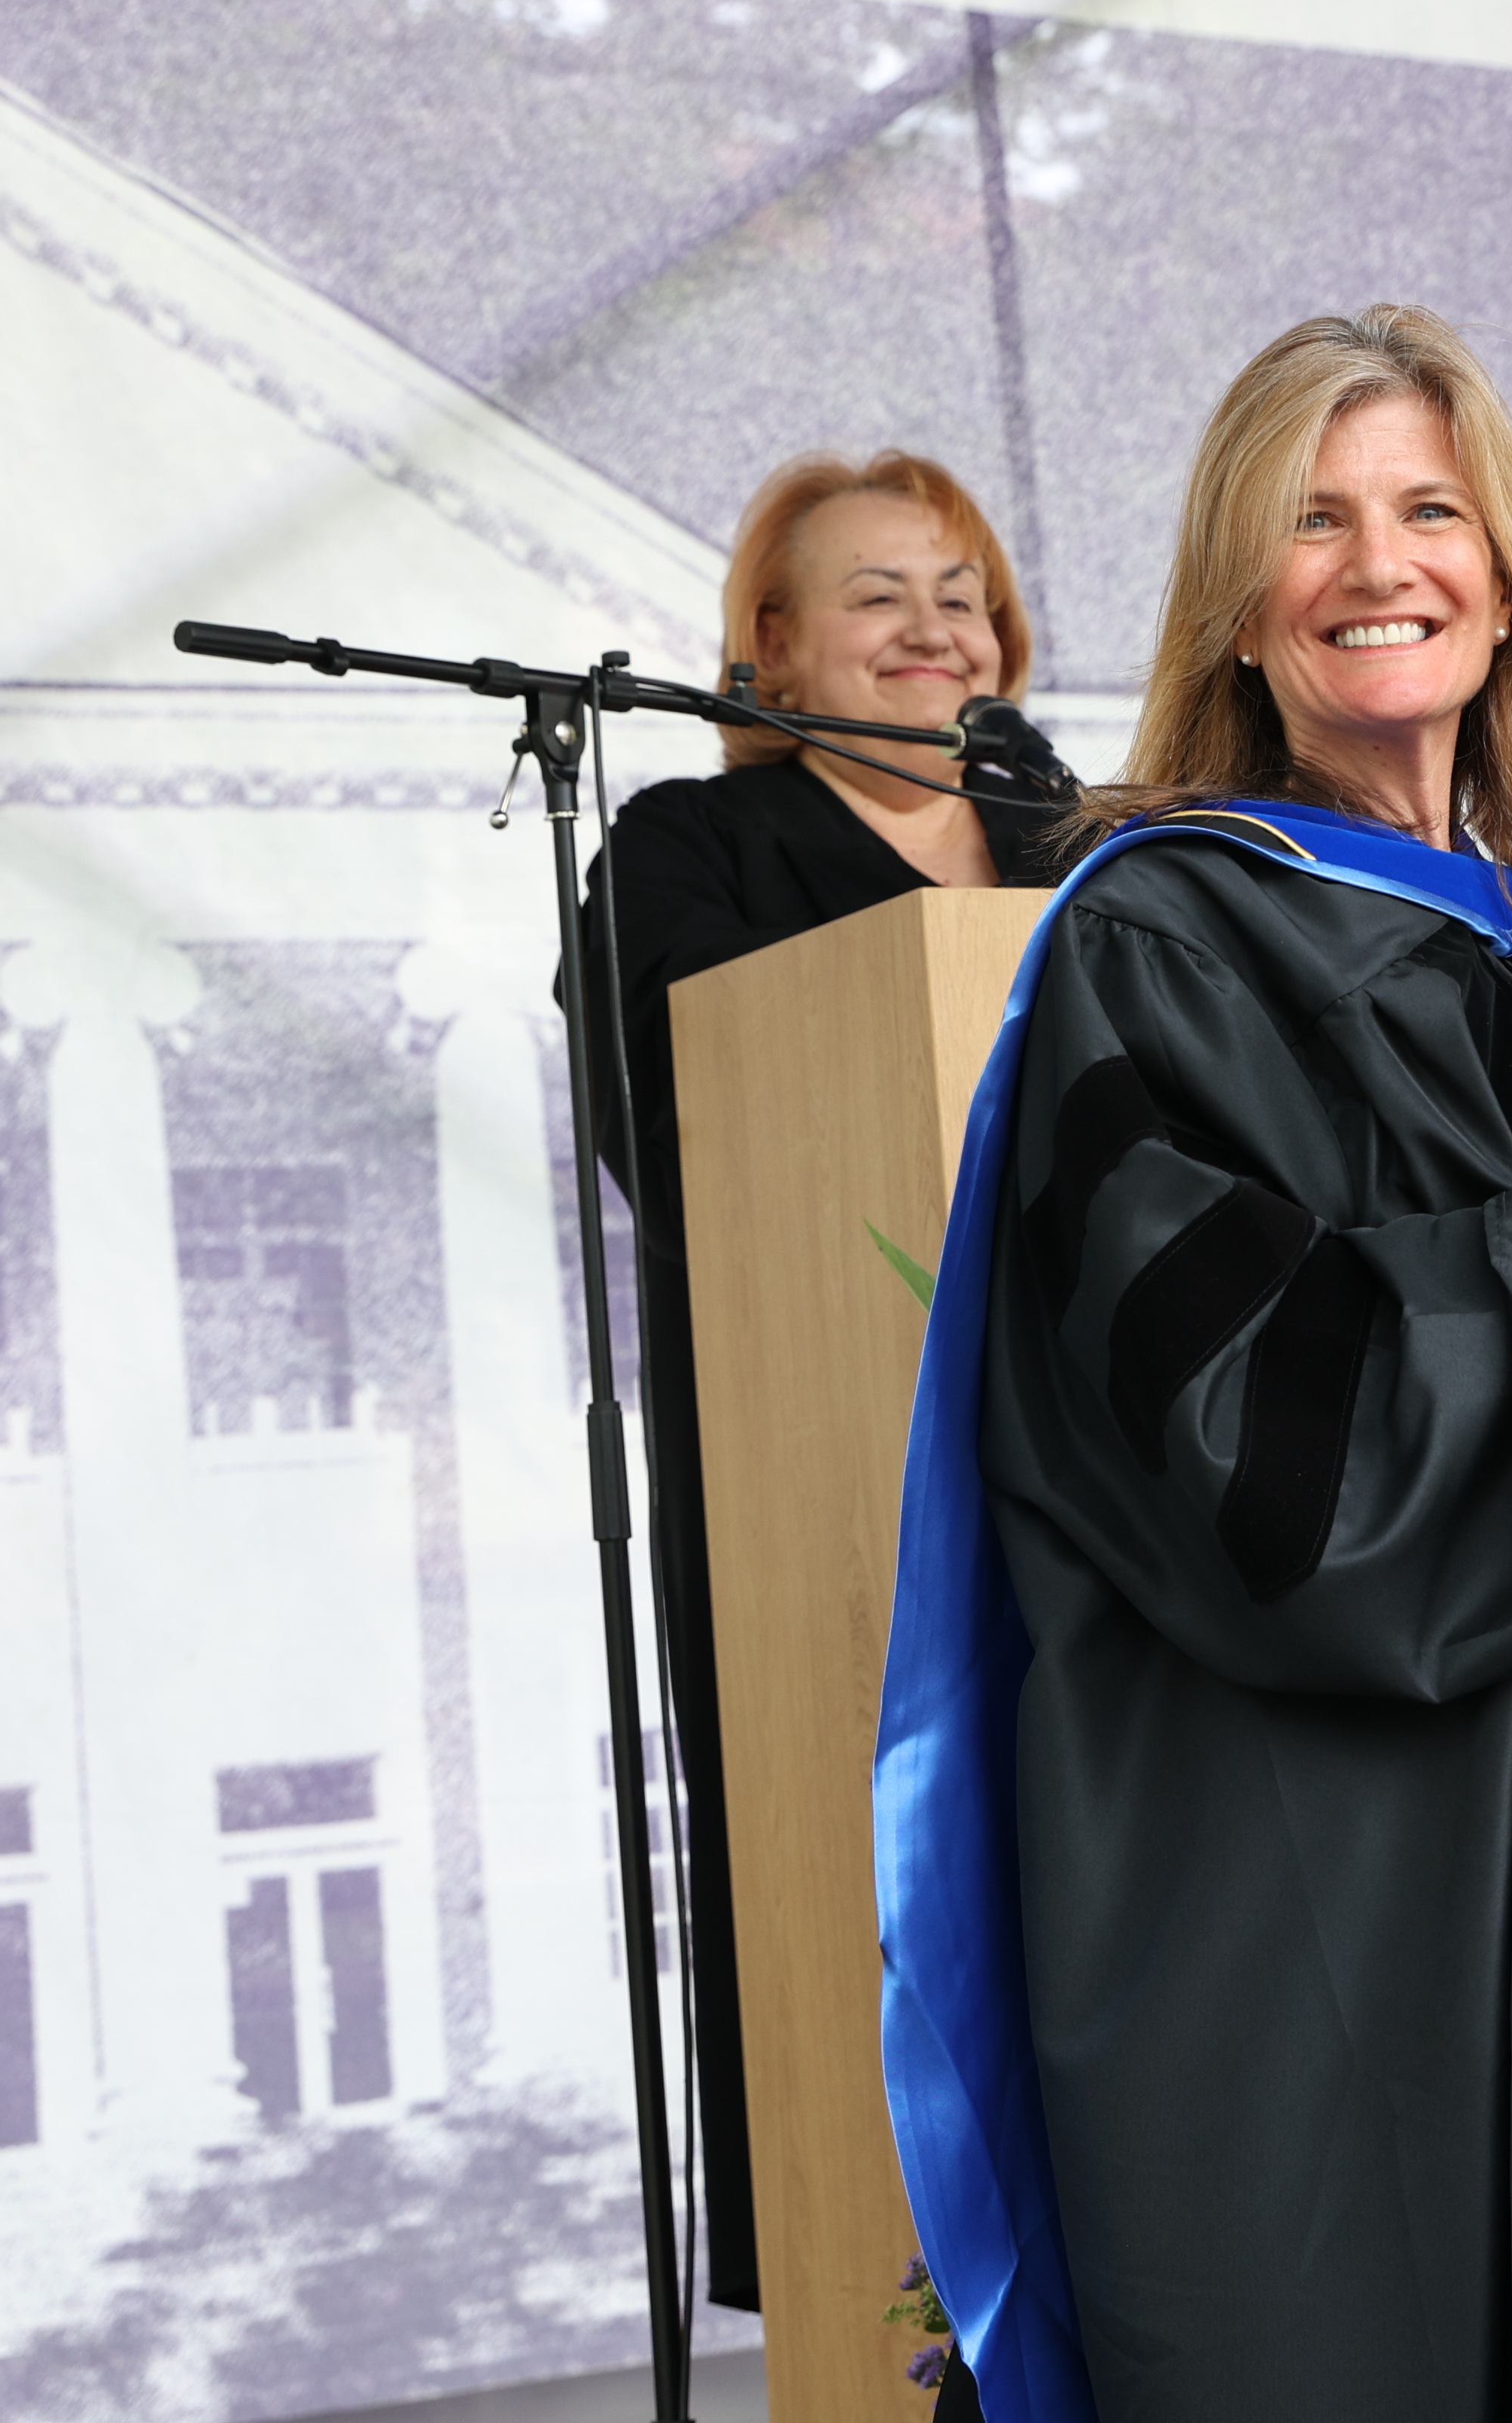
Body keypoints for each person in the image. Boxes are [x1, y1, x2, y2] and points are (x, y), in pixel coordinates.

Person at [872, 306, 1512, 2423]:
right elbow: (1225, 1426)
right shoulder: (1161, 946)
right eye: (1313, 522)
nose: (1379, 563)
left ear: (1505, 587)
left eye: (1431, 511)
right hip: (1362, 1878)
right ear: (1241, 609)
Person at [579, 447, 1074, 2312]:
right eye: (881, 597)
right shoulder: (686, 856)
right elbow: (691, 1139)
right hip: (832, 1481)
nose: (937, 631)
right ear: (770, 648)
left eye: (964, 597)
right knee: (871, 1938)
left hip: (1103, 1460)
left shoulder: (1088, 851)